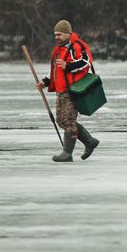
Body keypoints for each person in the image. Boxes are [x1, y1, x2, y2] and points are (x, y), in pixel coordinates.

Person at [37, 20, 100, 162]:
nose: (56, 37)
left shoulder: (76, 46)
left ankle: (67, 153)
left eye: (59, 34)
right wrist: (46, 82)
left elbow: (86, 62)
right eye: (55, 35)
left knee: (68, 120)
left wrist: (68, 66)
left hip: (73, 90)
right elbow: (56, 70)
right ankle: (90, 141)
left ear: (67, 34)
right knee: (62, 120)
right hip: (61, 90)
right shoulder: (60, 49)